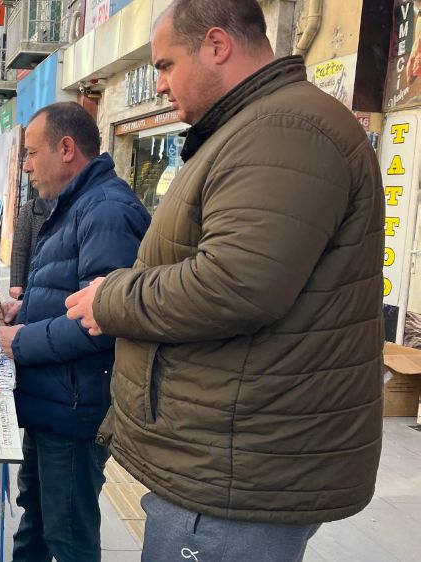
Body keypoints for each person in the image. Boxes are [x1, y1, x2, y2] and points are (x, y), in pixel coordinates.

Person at [64, 1, 384, 559]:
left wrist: (112, 298)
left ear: (217, 45)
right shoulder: (256, 126)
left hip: (236, 470)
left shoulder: (284, 128)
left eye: (165, 65)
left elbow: (237, 283)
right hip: (226, 459)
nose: (159, 85)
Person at [0, 102, 150, 562]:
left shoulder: (106, 211)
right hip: (52, 401)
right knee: (37, 525)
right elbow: (74, 294)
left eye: (30, 152)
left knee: (68, 536)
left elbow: (102, 324)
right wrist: (28, 308)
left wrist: (19, 341)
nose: (25, 165)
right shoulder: (77, 204)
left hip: (75, 408)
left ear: (66, 149)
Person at [8, 195, 51, 299]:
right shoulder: (30, 209)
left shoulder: (71, 207)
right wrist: (16, 283)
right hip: (32, 281)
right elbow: (19, 248)